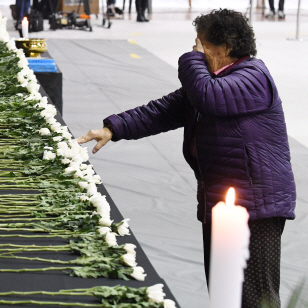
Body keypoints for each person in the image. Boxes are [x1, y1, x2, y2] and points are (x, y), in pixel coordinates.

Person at [77, 9, 296, 308]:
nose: (197, 49)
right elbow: (164, 110)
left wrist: (191, 58)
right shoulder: (215, 79)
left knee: (257, 298)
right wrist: (112, 128)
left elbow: (208, 95)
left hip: (257, 206)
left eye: (202, 44)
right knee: (223, 293)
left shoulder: (253, 77)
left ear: (225, 48)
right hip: (221, 201)